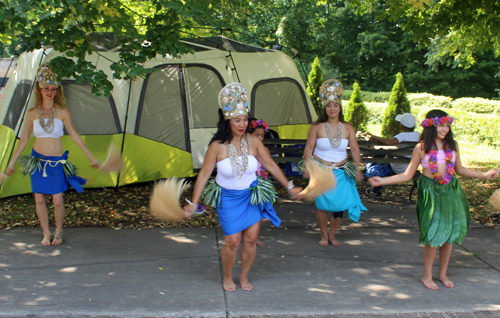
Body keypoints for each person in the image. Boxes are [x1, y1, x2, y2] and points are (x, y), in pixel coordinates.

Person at [184, 83, 302, 292]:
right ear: (227, 121)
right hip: (228, 198)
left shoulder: (254, 141)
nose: (242, 124)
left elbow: (271, 165)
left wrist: (290, 186)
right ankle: (228, 276)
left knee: (251, 238)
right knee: (232, 240)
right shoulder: (217, 146)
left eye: (244, 119)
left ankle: (244, 276)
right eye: (237, 120)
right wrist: (194, 203)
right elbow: (203, 175)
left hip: (251, 196)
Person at [369, 109, 499, 290]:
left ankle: (443, 274)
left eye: (447, 126)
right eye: (441, 126)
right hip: (430, 192)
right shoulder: (421, 148)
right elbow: (407, 175)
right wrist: (382, 180)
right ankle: (427, 275)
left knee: (449, 236)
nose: (445, 129)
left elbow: (460, 170)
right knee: (433, 235)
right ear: (431, 126)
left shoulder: (452, 146)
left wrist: (484, 175)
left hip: (451, 191)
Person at [6, 64, 100, 246]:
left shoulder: (63, 112)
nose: (49, 92)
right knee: (39, 198)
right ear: (40, 90)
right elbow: (24, 139)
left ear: (57, 91)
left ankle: (58, 231)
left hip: (56, 163)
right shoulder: (32, 114)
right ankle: (46, 233)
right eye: (46, 88)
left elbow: (74, 136)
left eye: (53, 89)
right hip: (38, 163)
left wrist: (91, 157)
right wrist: (12, 162)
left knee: (57, 200)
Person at [303, 79, 368, 247]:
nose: (332, 109)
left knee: (339, 206)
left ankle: (333, 234)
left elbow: (354, 149)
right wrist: (308, 168)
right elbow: (309, 148)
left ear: (340, 108)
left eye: (335, 106)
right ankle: (324, 235)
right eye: (329, 106)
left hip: (342, 170)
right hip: (321, 170)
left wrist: (358, 169)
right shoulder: (317, 127)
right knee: (322, 205)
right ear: (325, 108)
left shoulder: (347, 127)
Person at [364, 113, 420, 197]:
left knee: (379, 155)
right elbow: (403, 151)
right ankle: (368, 174)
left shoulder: (403, 136)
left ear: (402, 126)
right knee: (383, 155)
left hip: (397, 168)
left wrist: (373, 136)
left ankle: (374, 187)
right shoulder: (418, 135)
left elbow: (388, 142)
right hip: (410, 168)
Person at [248, 118, 270, 246]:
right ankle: (245, 234)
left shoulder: (264, 150)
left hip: (260, 183)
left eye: (262, 136)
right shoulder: (246, 149)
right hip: (247, 184)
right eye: (257, 135)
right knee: (247, 211)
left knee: (259, 212)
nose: (260, 138)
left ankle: (255, 236)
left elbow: (268, 166)